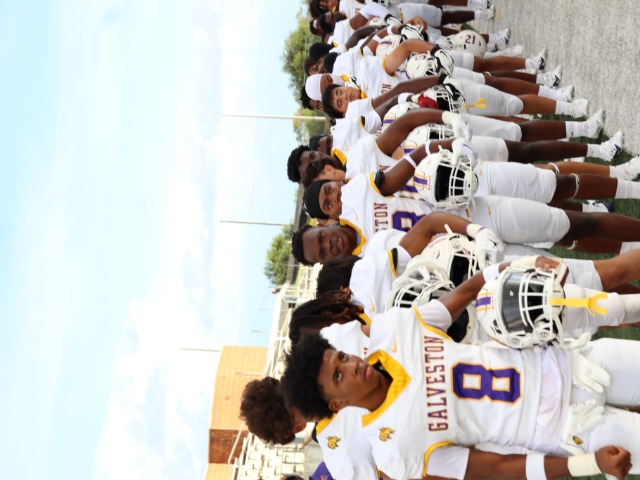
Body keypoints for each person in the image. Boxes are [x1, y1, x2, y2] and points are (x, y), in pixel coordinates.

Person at [280, 266, 639, 479]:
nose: (352, 365)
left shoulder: (393, 331)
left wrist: (519, 265)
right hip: (566, 428)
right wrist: (586, 465)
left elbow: (466, 292)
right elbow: (498, 468)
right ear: (336, 405)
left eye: (341, 358)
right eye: (338, 376)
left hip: (572, 364)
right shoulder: (394, 450)